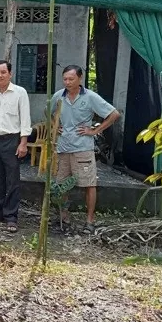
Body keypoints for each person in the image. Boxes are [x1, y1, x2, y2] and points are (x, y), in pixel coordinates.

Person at [54, 65, 120, 234]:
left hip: (83, 148)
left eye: (71, 79)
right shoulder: (59, 96)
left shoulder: (90, 97)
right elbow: (49, 112)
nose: (67, 82)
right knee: (62, 185)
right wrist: (56, 126)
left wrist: (95, 131)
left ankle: (89, 221)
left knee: (89, 184)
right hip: (63, 148)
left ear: (80, 78)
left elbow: (114, 114)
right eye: (65, 79)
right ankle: (64, 217)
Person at [0, 60, 32, 233]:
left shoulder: (19, 93)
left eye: (3, 72)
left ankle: (11, 217)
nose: (0, 75)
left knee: (12, 180)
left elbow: (25, 118)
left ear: (10, 74)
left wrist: (23, 142)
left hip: (12, 140)